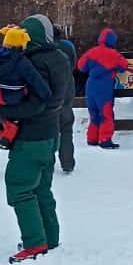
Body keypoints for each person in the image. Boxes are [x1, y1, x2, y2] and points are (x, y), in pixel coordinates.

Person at [0, 15, 72, 263]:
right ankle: (49, 237)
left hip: (30, 138)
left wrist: (5, 111)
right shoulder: (60, 58)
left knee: (18, 187)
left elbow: (33, 105)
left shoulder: (34, 63)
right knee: (41, 188)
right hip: (51, 135)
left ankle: (34, 243)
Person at [0, 26, 53, 150]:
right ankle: (7, 138)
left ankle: (3, 132)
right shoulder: (22, 62)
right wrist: (46, 94)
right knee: (15, 118)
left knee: (3, 115)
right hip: (14, 97)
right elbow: (35, 79)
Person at [76, 28, 129, 149]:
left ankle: (92, 138)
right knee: (106, 113)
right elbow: (123, 66)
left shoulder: (91, 52)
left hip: (90, 85)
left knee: (94, 113)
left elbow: (81, 66)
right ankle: (104, 138)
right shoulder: (113, 54)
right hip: (104, 86)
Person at [52, 24, 77, 174]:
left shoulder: (46, 47)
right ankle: (68, 162)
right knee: (66, 129)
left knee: (49, 129)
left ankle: (48, 160)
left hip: (52, 91)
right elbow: (73, 64)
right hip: (67, 88)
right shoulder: (68, 46)